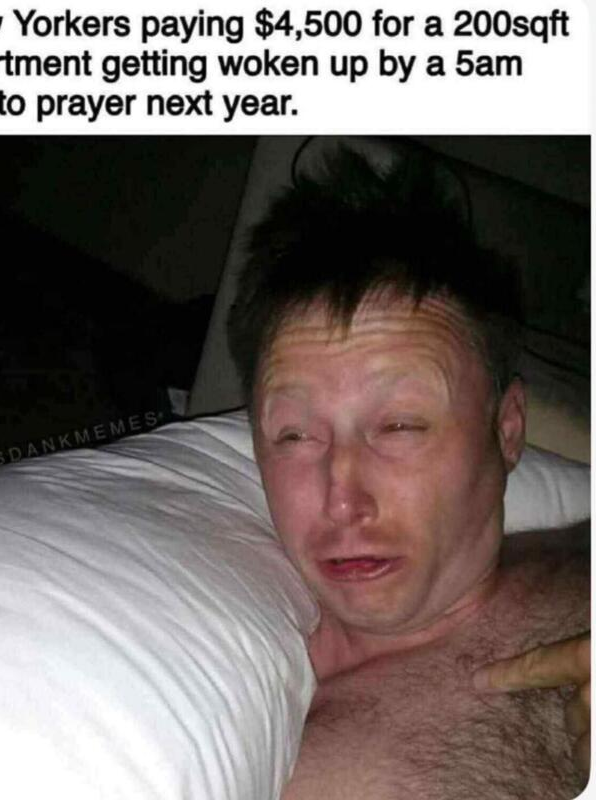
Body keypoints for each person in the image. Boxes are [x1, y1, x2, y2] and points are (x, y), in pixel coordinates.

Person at [227, 149, 590, 799]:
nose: (343, 501)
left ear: (506, 430)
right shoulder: (304, 767)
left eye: (398, 425)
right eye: (294, 435)